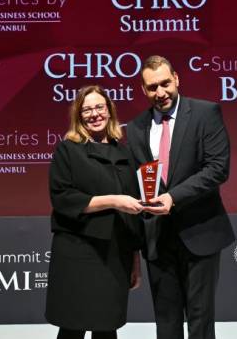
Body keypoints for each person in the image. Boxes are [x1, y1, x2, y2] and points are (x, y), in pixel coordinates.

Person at [126, 55, 235, 339]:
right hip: (158, 240)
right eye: (152, 87)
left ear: (176, 79)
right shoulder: (135, 129)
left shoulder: (205, 113)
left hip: (200, 232)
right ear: (143, 90)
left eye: (165, 83)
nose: (160, 92)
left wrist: (172, 197)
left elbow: (217, 168)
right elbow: (136, 184)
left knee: (200, 322)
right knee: (166, 323)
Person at [45, 85, 144, 339]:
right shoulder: (68, 150)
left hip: (116, 253)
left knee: (107, 326)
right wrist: (113, 201)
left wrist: (135, 260)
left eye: (99, 107)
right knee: (72, 326)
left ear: (109, 111)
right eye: (87, 110)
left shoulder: (124, 153)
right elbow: (63, 198)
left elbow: (133, 212)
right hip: (77, 251)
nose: (94, 114)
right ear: (79, 116)